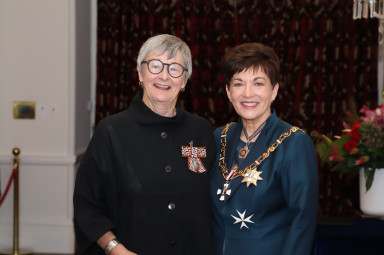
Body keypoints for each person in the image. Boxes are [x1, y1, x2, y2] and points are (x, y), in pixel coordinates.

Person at [73, 34, 216, 255]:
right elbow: (87, 205)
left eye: (175, 68)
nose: (164, 76)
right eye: (155, 66)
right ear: (140, 73)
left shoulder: (201, 131)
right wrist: (115, 250)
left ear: (185, 80)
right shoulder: (111, 131)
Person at [210, 43, 318, 255]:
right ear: (228, 92)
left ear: (274, 90)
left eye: (258, 83)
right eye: (238, 84)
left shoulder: (294, 142)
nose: (247, 93)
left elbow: (302, 222)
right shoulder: (218, 137)